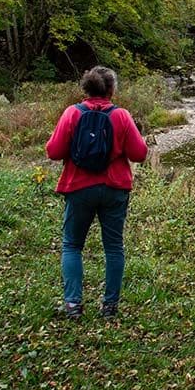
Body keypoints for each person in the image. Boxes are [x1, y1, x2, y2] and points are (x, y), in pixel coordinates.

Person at [46, 66, 147, 319]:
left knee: (72, 245)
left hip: (78, 187)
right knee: (113, 247)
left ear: (86, 88)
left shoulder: (72, 114)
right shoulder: (121, 116)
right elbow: (140, 154)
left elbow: (53, 151)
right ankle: (110, 307)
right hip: (114, 189)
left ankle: (72, 306)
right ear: (111, 90)